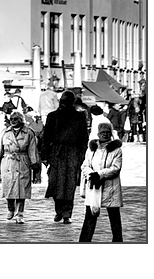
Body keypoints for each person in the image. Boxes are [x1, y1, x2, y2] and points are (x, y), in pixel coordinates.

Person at [40, 90, 90, 224]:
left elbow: (84, 137)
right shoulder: (52, 116)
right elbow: (46, 137)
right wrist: (44, 155)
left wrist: (82, 154)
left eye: (67, 102)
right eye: (62, 101)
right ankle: (58, 211)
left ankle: (67, 213)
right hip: (56, 153)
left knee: (69, 184)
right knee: (55, 183)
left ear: (72, 103)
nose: (64, 104)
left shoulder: (79, 117)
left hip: (72, 153)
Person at [78, 120, 124, 242]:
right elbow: (84, 165)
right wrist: (91, 174)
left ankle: (118, 241)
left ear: (111, 133)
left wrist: (99, 174)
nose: (105, 135)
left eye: (107, 132)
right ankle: (84, 241)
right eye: (102, 132)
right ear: (98, 134)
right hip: (94, 187)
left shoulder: (117, 150)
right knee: (90, 216)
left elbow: (116, 168)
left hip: (111, 188)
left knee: (114, 217)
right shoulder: (91, 149)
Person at [0, 110, 39, 223]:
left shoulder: (28, 133)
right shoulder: (5, 132)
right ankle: (10, 208)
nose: (13, 121)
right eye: (11, 119)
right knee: (9, 186)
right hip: (8, 162)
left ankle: (20, 213)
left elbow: (32, 150)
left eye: (15, 119)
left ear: (21, 120)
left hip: (22, 161)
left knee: (22, 189)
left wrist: (34, 164)